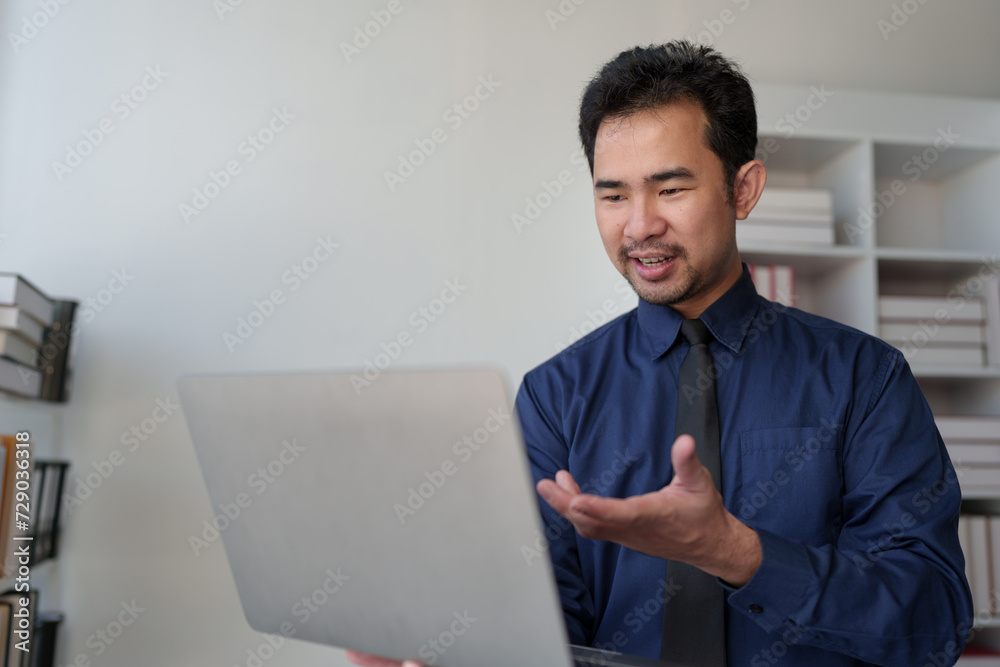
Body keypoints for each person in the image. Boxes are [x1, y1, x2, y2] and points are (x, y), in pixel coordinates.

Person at [349, 41, 973, 667]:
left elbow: (933, 623)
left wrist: (738, 552)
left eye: (670, 188)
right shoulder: (554, 395)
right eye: (613, 195)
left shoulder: (864, 377)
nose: (639, 225)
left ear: (744, 189)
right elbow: (544, 628)